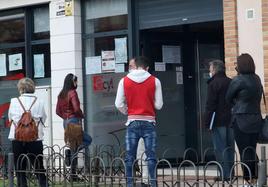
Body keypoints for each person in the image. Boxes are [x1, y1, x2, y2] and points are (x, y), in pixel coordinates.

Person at [115, 56, 163, 187]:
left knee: (129, 157)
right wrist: (149, 101)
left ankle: (129, 184)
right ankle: (153, 183)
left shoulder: (124, 81)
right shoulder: (155, 81)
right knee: (151, 156)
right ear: (146, 67)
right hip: (149, 122)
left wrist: (128, 111)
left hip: (132, 122)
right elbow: (159, 105)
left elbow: (118, 103)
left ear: (135, 66)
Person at [226, 53, 263, 183]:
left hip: (241, 120)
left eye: (237, 64)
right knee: (251, 150)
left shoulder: (238, 80)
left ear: (241, 65)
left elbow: (228, 98)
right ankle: (256, 178)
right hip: (256, 119)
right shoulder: (257, 78)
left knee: (244, 151)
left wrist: (236, 102)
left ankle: (248, 180)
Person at [8, 77, 48, 187]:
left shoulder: (14, 101)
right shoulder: (39, 102)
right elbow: (44, 118)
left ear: (20, 88)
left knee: (20, 166)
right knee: (38, 164)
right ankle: (43, 184)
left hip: (18, 137)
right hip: (35, 137)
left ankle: (22, 185)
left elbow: (10, 118)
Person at [56, 73, 92, 180]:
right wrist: (81, 115)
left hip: (65, 122)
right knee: (88, 140)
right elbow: (76, 109)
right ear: (72, 82)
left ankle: (73, 173)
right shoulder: (72, 93)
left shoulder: (61, 94)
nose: (77, 83)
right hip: (74, 121)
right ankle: (71, 158)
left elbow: (57, 111)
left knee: (74, 146)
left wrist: (66, 119)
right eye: (76, 81)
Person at [204, 60, 234, 181]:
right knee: (229, 147)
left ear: (215, 70)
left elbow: (210, 105)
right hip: (231, 120)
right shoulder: (231, 82)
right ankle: (231, 173)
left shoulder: (213, 84)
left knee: (220, 148)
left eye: (210, 69)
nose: (209, 72)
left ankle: (224, 174)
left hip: (218, 121)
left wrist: (207, 122)